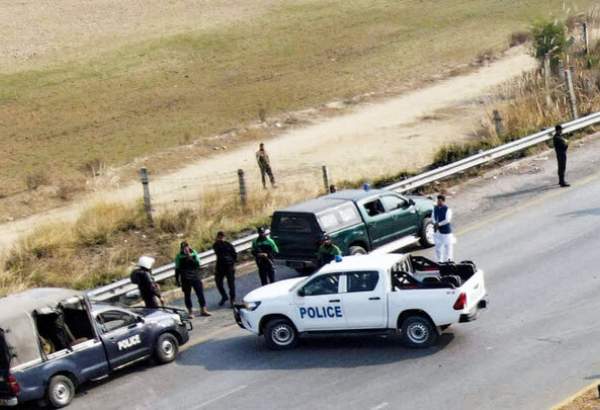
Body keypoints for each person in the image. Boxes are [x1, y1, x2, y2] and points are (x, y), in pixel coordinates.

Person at [175, 241, 211, 318]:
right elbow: (177, 269)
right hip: (185, 278)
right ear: (181, 249)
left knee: (200, 293)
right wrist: (177, 280)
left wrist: (190, 257)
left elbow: (197, 264)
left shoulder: (193, 253)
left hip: (195, 276)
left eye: (186, 247)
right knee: (187, 295)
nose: (185, 249)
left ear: (189, 247)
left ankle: (203, 310)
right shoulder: (178, 256)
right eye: (183, 248)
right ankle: (190, 312)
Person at [212, 231, 238, 307]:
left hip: (229, 266)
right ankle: (224, 296)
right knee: (218, 282)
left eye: (222, 237)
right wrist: (218, 241)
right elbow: (217, 250)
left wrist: (233, 264)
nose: (221, 238)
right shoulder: (216, 245)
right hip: (220, 266)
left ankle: (232, 300)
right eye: (219, 237)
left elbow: (234, 255)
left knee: (231, 284)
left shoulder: (228, 245)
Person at [432, 195, 456, 263]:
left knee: (448, 246)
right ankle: (439, 260)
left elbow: (447, 220)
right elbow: (433, 217)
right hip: (437, 231)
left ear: (443, 201)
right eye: (437, 201)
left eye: (440, 201)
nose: (438, 202)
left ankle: (449, 259)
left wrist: (438, 224)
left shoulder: (447, 209)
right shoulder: (435, 208)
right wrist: (434, 223)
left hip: (446, 231)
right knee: (438, 246)